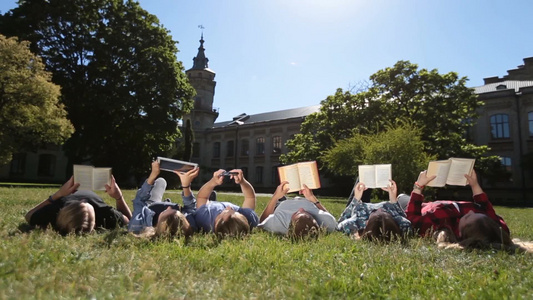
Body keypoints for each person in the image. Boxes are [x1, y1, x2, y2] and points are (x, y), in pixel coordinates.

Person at [402, 169, 510, 244]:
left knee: (401, 197)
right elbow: (485, 205)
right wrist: (474, 184)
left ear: (461, 230)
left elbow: (412, 218)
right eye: (476, 213)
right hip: (433, 202)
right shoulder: (493, 227)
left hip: (417, 204)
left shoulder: (437, 225)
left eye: (468, 217)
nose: (471, 212)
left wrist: (419, 186)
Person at [25, 175, 132, 235]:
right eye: (87, 203)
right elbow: (130, 221)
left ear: (64, 212)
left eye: (80, 203)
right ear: (95, 223)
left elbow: (29, 215)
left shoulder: (52, 213)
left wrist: (58, 194)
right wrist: (118, 197)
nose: (83, 200)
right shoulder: (105, 215)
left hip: (66, 193)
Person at [128, 161, 199, 238]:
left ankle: (159, 197)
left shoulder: (138, 225)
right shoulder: (189, 226)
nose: (169, 207)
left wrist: (153, 175)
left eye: (166, 212)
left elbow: (139, 200)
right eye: (176, 211)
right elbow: (190, 207)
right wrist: (186, 185)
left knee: (161, 181)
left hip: (151, 203)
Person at [337, 180, 411, 242]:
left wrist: (356, 198)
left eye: (374, 212)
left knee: (362, 178)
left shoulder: (354, 224)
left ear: (367, 222)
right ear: (393, 221)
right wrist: (393, 197)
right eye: (383, 212)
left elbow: (340, 222)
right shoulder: (402, 224)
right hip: (391, 203)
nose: (377, 209)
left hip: (360, 204)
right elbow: (403, 216)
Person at [258, 181, 337, 238]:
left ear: (290, 221)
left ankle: (281, 199)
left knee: (280, 199)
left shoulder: (277, 224)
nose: (301, 209)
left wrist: (275, 197)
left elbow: (262, 221)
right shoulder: (327, 224)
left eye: (297, 213)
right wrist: (312, 198)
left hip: (282, 204)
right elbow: (330, 218)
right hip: (307, 200)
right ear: (316, 223)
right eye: (307, 214)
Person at [193, 169, 259, 237]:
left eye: (226, 211)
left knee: (205, 203)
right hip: (213, 207)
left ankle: (211, 200)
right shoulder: (248, 219)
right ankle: (212, 199)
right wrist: (242, 182)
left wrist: (213, 182)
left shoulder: (204, 217)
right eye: (234, 211)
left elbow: (202, 197)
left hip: (210, 207)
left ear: (217, 222)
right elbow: (250, 197)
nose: (229, 207)